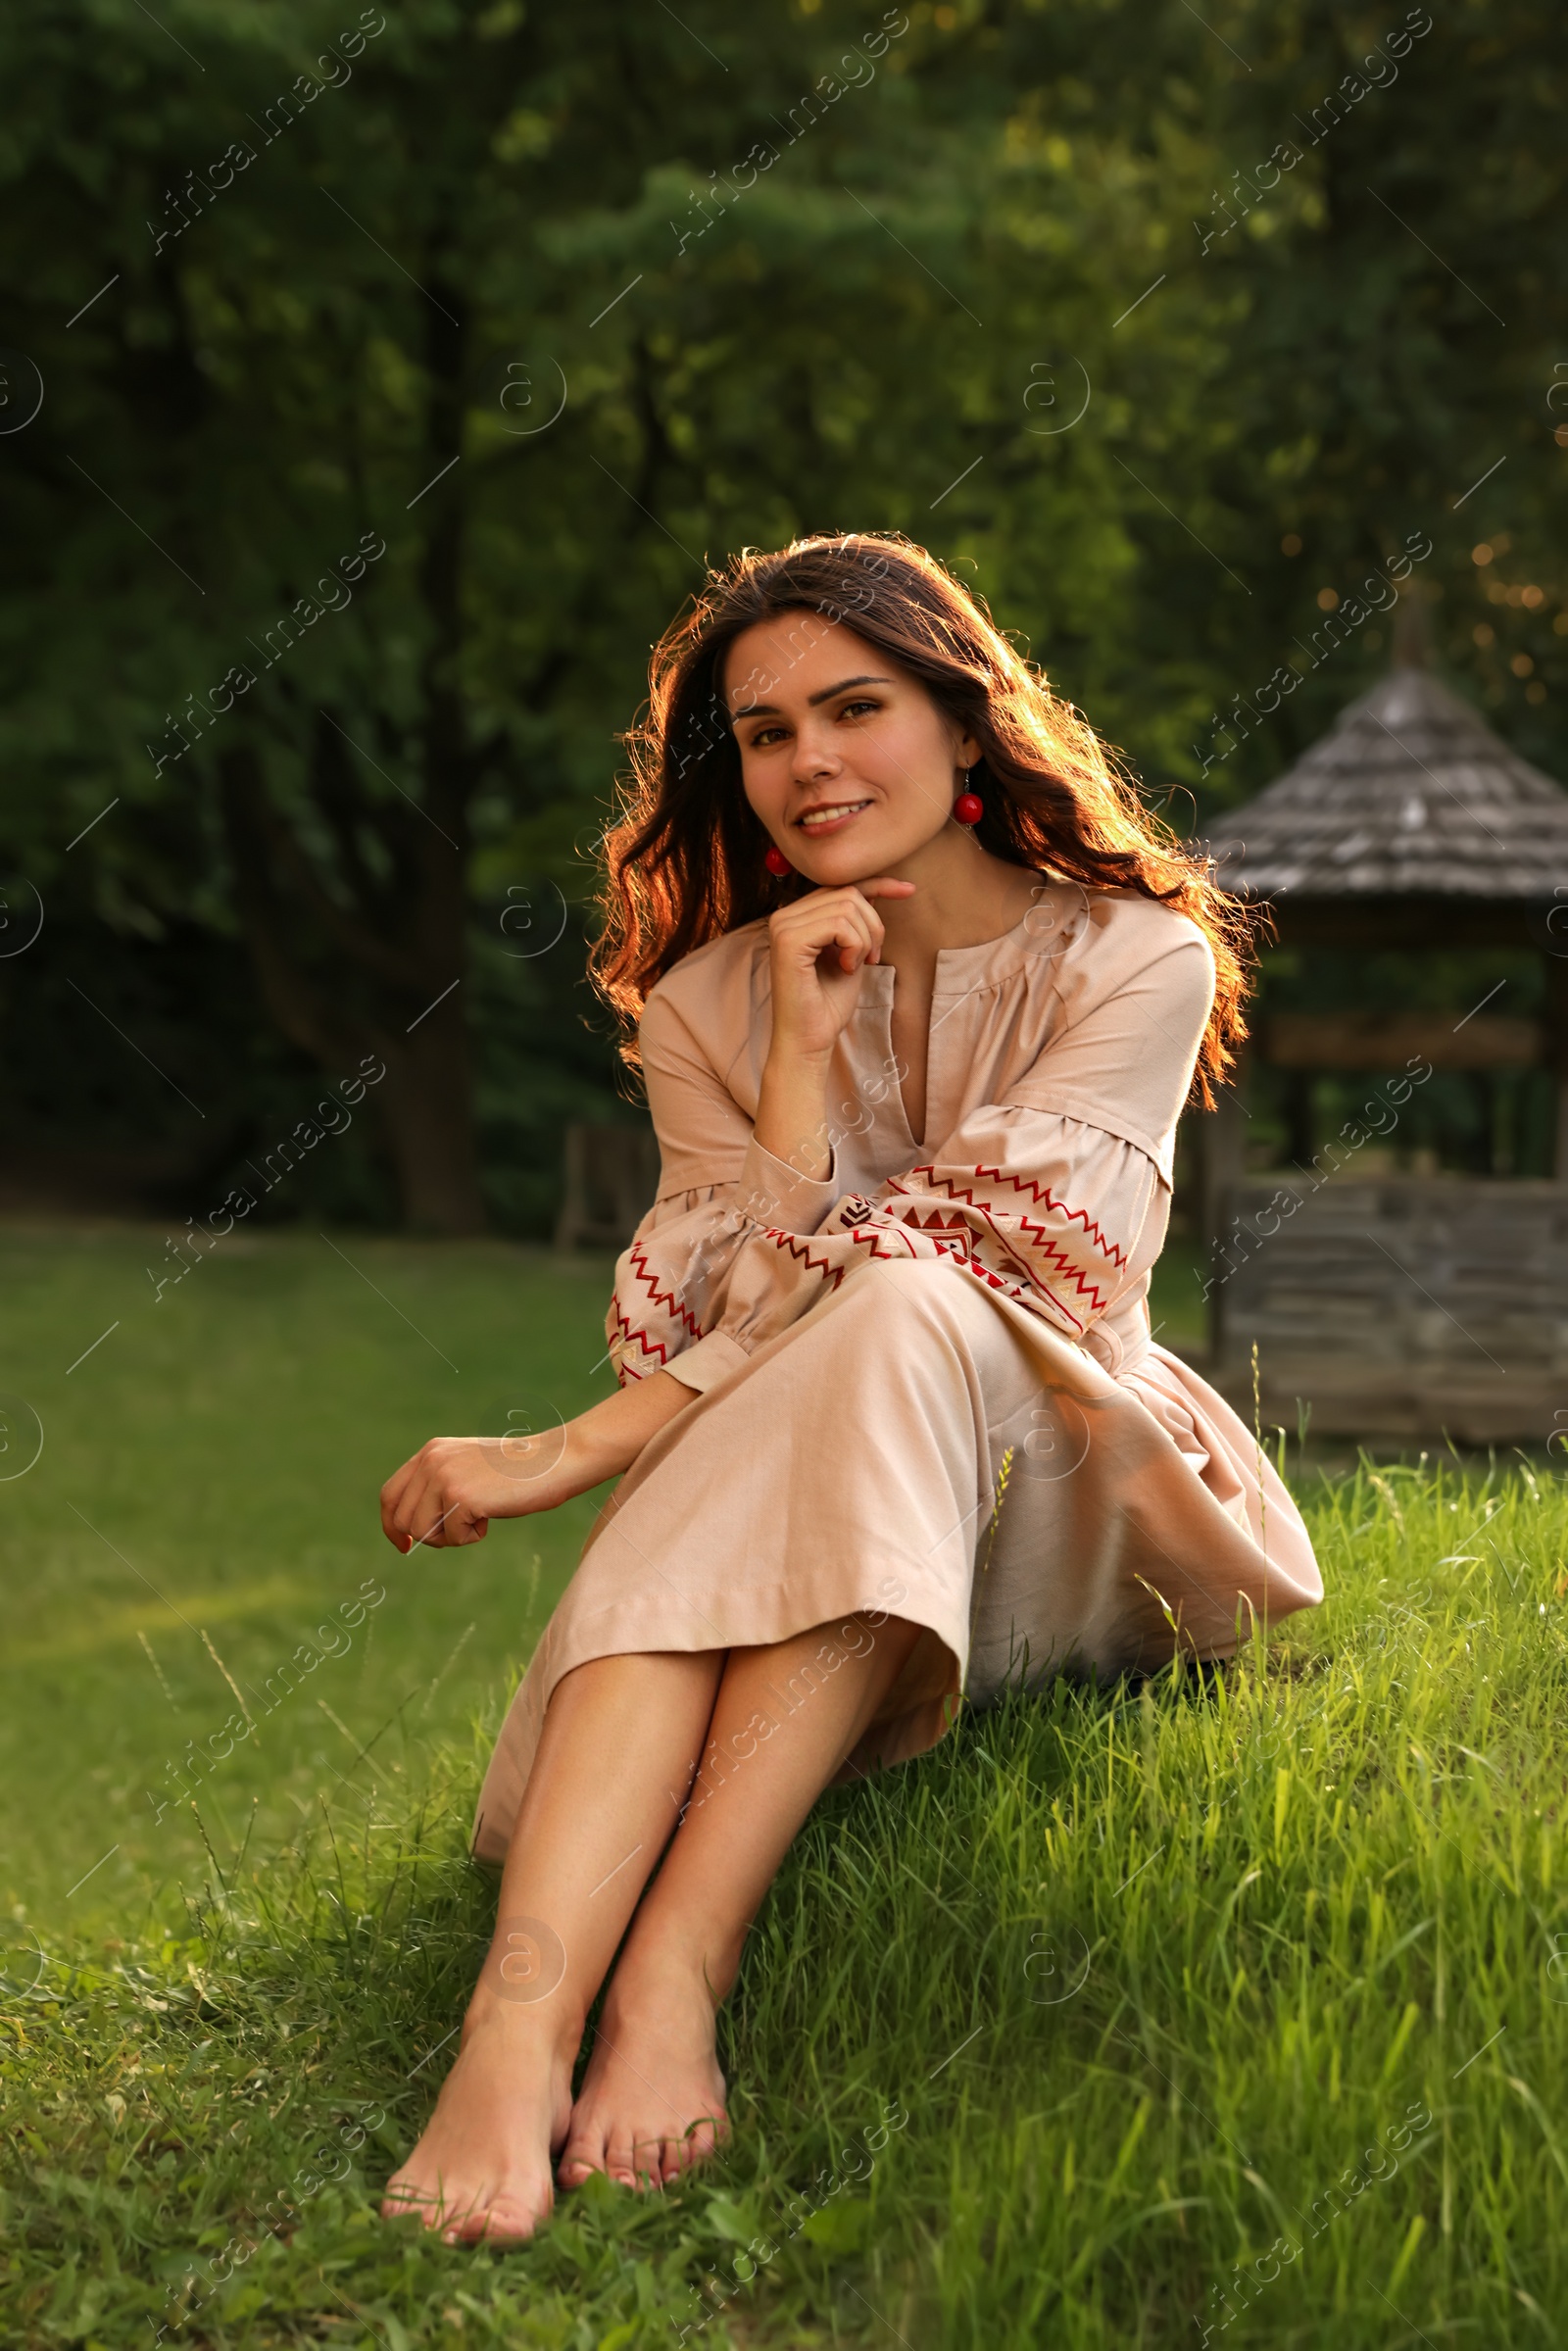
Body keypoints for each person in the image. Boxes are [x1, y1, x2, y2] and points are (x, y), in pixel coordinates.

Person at [376, 533, 1323, 2244]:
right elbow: (692, 1326)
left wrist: (577, 1451)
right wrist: (800, 1064)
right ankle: (516, 2035)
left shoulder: (1134, 958)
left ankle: (677, 1961)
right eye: (763, 732)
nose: (809, 761)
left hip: (1067, 1487)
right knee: (807, 1374)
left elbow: (1002, 1257)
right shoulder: (704, 1006)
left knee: (891, 1306)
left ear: (966, 726)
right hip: (812, 1481)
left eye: (857, 708)